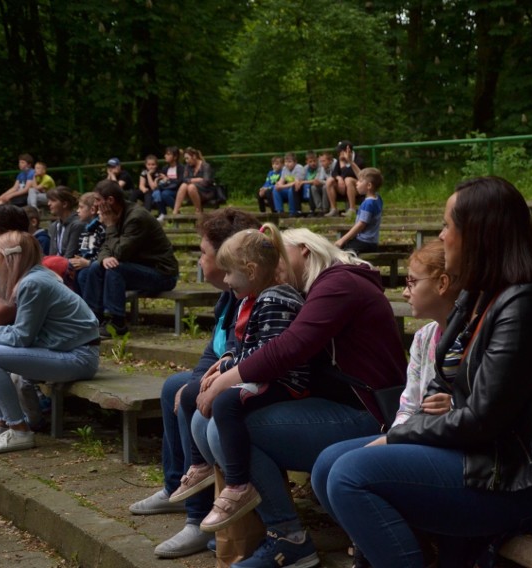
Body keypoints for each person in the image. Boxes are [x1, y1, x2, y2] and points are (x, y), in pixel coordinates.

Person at [313, 177, 532, 567]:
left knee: (349, 474)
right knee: (327, 464)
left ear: (477, 234)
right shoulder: (480, 296)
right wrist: (434, 419)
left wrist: (399, 435)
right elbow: (442, 386)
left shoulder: (528, 305)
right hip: (486, 455)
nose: (442, 235)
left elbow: (482, 420)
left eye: (448, 225)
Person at [189, 227, 406, 568]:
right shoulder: (316, 287)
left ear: (304, 250)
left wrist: (226, 381)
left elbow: (290, 348)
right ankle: (272, 527)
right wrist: (230, 363)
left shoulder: (339, 284)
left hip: (367, 413)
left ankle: (288, 538)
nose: (273, 261)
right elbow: (267, 345)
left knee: (222, 426)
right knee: (206, 421)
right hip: (332, 403)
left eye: (280, 252)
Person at [313, 239, 457, 566]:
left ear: (442, 283)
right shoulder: (423, 338)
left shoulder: (468, 339)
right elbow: (408, 403)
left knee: (350, 469)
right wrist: (393, 440)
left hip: (442, 442)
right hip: (413, 435)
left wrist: (392, 442)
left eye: (412, 282)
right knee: (325, 464)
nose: (405, 291)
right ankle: (386, 542)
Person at [127, 208, 259, 559]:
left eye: (204, 253)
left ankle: (197, 518)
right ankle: (176, 489)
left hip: (248, 385)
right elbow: (211, 349)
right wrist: (197, 380)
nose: (199, 261)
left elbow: (238, 354)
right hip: (225, 375)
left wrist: (198, 384)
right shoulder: (229, 296)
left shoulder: (253, 295)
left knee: (184, 391)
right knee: (176, 385)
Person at [171, 225, 309, 534]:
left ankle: (237, 484)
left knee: (226, 402)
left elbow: (270, 357)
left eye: (230, 273)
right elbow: (247, 348)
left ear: (250, 270)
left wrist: (229, 375)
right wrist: (227, 364)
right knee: (195, 392)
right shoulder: (257, 297)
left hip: (284, 382)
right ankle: (201, 465)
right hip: (260, 375)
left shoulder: (277, 300)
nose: (227, 281)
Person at [0, 231, 100, 454]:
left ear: (10, 258)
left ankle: (19, 430)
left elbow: (21, 337)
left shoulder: (33, 283)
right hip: (65, 350)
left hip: (77, 357)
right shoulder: (35, 276)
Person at [79, 180, 178, 337]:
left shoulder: (135, 218)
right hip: (136, 267)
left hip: (162, 274)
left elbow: (119, 253)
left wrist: (110, 226)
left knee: (115, 269)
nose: (96, 205)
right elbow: (106, 247)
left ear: (110, 200)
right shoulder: (115, 213)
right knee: (91, 270)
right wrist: (104, 258)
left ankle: (116, 322)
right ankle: (93, 320)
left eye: (98, 200)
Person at [335, 168, 383, 254]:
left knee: (343, 255)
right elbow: (363, 175)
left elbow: (361, 225)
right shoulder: (377, 198)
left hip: (364, 243)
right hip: (371, 242)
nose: (356, 183)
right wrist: (351, 162)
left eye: (360, 181)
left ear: (369, 186)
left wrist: (342, 240)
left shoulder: (368, 204)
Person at [67, 192, 106, 289]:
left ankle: (89, 303)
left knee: (83, 275)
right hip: (85, 264)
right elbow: (83, 250)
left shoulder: (101, 229)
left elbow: (101, 252)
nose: (77, 211)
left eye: (81, 207)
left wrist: (87, 262)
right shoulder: (86, 229)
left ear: (92, 210)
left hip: (95, 266)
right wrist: (78, 259)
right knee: (68, 270)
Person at [325, 140, 363, 217]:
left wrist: (342, 166)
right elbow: (334, 173)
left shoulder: (358, 160)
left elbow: (351, 174)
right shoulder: (340, 160)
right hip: (342, 187)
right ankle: (333, 209)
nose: (338, 153)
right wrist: (339, 178)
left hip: (357, 188)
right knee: (330, 180)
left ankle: (352, 209)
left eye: (340, 151)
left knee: (348, 180)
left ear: (347, 151)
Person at [173, 148, 215, 215]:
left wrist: (192, 183)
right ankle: (175, 211)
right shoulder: (188, 166)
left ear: (194, 156)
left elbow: (206, 182)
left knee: (191, 187)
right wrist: (195, 180)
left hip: (206, 192)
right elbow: (184, 179)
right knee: (184, 185)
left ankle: (198, 211)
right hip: (192, 192)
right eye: (185, 159)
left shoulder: (206, 166)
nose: (186, 161)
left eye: (188, 158)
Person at [47, 187, 85, 259]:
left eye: (53, 200)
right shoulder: (54, 226)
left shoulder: (77, 225)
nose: (48, 204)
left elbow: (70, 255)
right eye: (48, 200)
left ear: (64, 204)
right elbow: (52, 254)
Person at [155, 146, 183, 221]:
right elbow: (161, 181)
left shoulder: (180, 168)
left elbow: (179, 182)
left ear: (175, 157)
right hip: (166, 188)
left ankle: (177, 211)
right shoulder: (165, 168)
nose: (165, 156)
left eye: (168, 154)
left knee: (165, 194)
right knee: (156, 193)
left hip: (177, 190)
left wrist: (168, 180)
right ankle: (163, 213)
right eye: (165, 154)